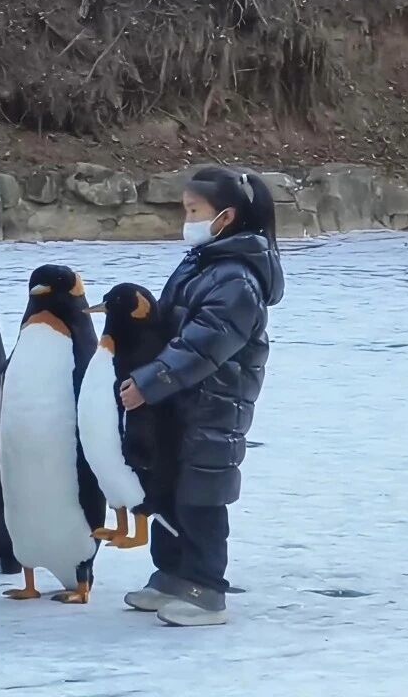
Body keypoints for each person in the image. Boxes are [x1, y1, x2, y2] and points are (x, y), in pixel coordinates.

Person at [117, 166, 285, 627]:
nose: (186, 221)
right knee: (168, 487)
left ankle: (205, 587)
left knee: (201, 495)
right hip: (181, 403)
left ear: (225, 217)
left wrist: (150, 381)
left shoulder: (236, 279)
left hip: (215, 406)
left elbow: (204, 344)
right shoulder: (204, 264)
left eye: (194, 212)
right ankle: (171, 574)